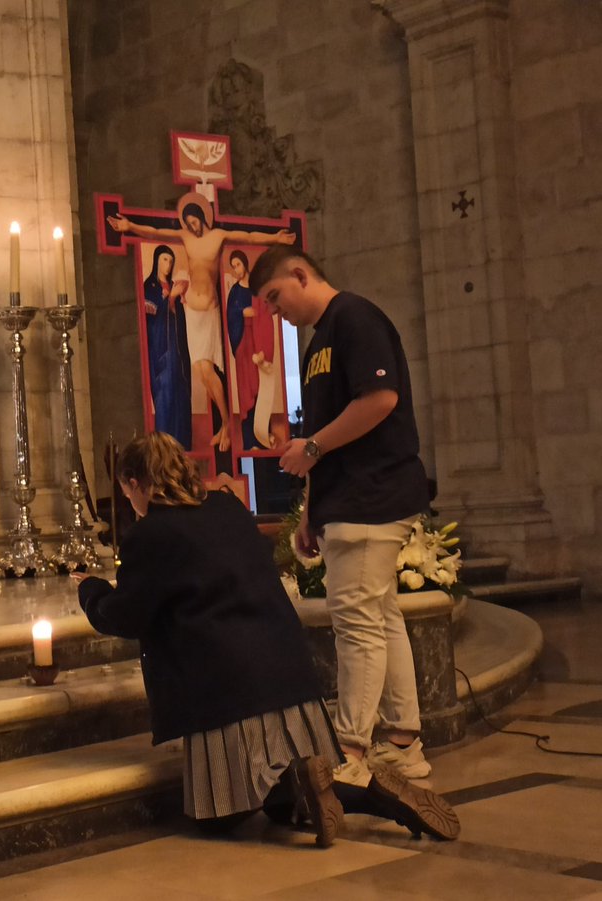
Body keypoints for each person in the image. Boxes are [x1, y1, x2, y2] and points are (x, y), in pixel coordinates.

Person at [74, 433, 460, 845]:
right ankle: (377, 798)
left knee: (219, 818)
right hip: (290, 683)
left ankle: (298, 779)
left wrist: (91, 589)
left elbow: (125, 616)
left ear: (135, 483)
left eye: (126, 490)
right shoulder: (228, 508)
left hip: (228, 697)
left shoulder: (151, 534)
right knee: (282, 805)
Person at [248, 246, 435, 785]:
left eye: (275, 297)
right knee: (381, 615)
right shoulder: (315, 346)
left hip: (373, 495)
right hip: (346, 499)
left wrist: (310, 451)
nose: (274, 311)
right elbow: (325, 433)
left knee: (355, 623)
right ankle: (403, 741)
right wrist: (311, 509)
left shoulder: (355, 316)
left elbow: (380, 399)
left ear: (301, 275)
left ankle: (351, 753)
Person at [108, 193, 296, 453]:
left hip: (208, 310)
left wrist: (275, 239)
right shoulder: (185, 237)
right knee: (199, 371)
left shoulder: (218, 236)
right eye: (188, 223)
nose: (192, 227)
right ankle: (224, 424)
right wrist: (130, 227)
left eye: (194, 221)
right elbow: (157, 231)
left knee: (207, 369)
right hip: (191, 310)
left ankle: (227, 423)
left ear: (200, 217)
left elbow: (248, 237)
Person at [225, 250, 288, 450]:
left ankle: (261, 437)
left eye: (238, 264)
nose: (236, 269)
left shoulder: (256, 290)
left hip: (257, 342)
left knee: (262, 391)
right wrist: (241, 312)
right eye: (233, 266)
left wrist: (262, 349)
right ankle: (249, 441)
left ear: (245, 264)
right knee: (246, 392)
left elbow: (265, 317)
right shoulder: (235, 292)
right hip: (244, 344)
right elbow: (230, 316)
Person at [143, 245, 191, 446]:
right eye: (164, 259)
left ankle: (182, 444)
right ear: (156, 261)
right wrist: (169, 298)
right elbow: (150, 315)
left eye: (171, 261)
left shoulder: (174, 285)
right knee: (165, 396)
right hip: (161, 351)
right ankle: (164, 447)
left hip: (177, 351)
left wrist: (177, 299)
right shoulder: (150, 287)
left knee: (181, 395)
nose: (168, 265)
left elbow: (179, 317)